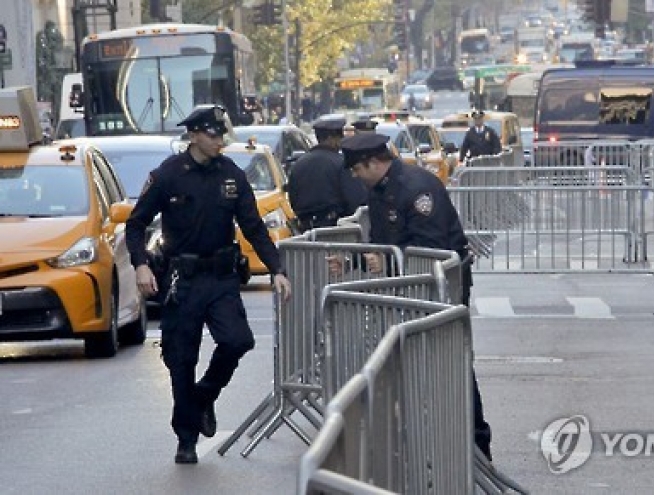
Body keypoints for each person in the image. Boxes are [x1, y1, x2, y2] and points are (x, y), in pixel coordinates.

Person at [124, 105, 292, 464]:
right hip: (181, 280)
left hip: (221, 277)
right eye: (213, 135)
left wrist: (277, 268)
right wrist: (140, 265)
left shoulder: (231, 174)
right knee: (180, 358)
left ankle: (204, 396)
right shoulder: (168, 175)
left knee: (238, 340)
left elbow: (253, 226)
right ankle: (186, 438)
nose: (220, 141)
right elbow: (136, 224)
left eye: (221, 135)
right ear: (195, 135)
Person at [332, 132, 494, 461]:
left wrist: (389, 259)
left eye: (356, 170)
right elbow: (385, 244)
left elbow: (431, 248)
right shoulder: (380, 190)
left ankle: (477, 447)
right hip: (409, 290)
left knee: (451, 365)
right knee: (412, 367)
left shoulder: (415, 188)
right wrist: (354, 260)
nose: (355, 178)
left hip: (441, 288)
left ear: (372, 163)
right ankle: (430, 448)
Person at [287, 118, 368, 232]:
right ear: (331, 139)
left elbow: (293, 198)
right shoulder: (342, 163)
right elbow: (355, 199)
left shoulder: (299, 164)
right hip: (336, 229)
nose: (341, 141)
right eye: (339, 138)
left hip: (305, 230)